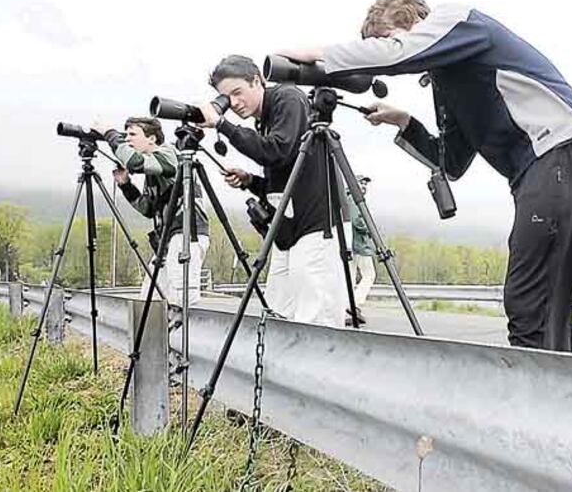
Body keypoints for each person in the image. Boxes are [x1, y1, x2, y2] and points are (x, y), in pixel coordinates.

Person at [280, 0, 572, 351]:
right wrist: (404, 122)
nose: (384, 52)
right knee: (547, 301)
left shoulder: (457, 18)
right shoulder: (452, 78)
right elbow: (450, 162)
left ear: (414, 21)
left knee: (527, 300)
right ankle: (556, 396)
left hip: (557, 150)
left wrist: (322, 55)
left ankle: (531, 397)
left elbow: (403, 52)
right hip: (557, 160)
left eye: (386, 40)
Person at [196, 54, 346, 327]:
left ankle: (317, 367)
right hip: (288, 227)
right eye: (227, 99)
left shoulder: (288, 98)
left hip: (317, 224)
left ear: (258, 80)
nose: (235, 103)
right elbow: (284, 179)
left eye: (238, 92)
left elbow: (277, 150)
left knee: (315, 315)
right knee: (279, 309)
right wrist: (250, 180)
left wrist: (222, 125)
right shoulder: (263, 117)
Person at [92, 117, 209, 305]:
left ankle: (187, 331)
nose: (127, 139)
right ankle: (152, 333)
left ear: (152, 139)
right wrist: (125, 185)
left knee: (181, 298)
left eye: (132, 134)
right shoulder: (153, 172)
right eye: (126, 135)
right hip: (167, 239)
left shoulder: (169, 154)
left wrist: (108, 133)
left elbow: (135, 162)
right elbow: (147, 209)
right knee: (150, 299)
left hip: (186, 233)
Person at [346, 175, 376, 326]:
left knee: (350, 277)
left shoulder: (347, 198)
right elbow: (357, 220)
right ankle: (355, 304)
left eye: (365, 184)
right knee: (369, 275)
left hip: (349, 245)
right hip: (359, 245)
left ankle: (348, 307)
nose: (364, 186)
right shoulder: (353, 199)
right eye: (361, 183)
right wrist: (369, 229)